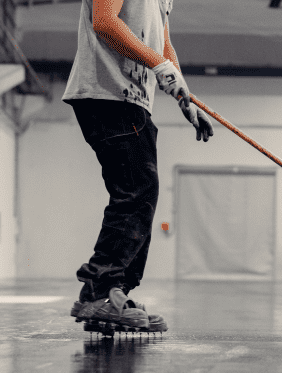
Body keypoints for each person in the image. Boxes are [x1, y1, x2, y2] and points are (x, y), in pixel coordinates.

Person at [64, 0, 214, 332]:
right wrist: (160, 65)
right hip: (107, 94)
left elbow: (163, 43)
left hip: (132, 99)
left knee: (143, 195)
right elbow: (104, 21)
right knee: (136, 192)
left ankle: (115, 294)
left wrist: (182, 96)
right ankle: (99, 293)